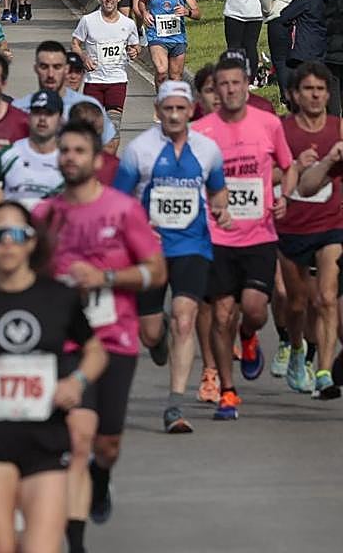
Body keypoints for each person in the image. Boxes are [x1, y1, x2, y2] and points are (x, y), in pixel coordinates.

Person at [0, 201, 107, 553]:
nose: (6, 243)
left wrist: (77, 383)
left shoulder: (58, 298)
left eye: (16, 235)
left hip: (47, 442)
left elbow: (96, 351)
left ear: (30, 243)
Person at [33, 121, 165, 551]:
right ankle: (75, 542)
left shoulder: (123, 209)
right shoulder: (45, 215)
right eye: (64, 151)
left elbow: (155, 271)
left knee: (106, 445)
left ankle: (102, 477)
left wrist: (106, 276)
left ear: (96, 160)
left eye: (79, 151)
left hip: (115, 338)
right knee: (77, 438)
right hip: (65, 343)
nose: (70, 158)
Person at [113, 81, 230, 433]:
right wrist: (137, 227)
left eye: (181, 109)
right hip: (149, 252)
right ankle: (156, 334)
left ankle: (175, 405)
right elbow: (117, 202)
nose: (175, 115)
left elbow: (218, 190)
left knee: (184, 318)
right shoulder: (140, 150)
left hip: (192, 247)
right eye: (168, 109)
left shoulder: (207, 149)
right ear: (158, 111)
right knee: (150, 335)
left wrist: (222, 209)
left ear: (192, 110)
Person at [191, 55, 294, 420]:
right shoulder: (200, 132)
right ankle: (228, 392)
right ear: (215, 89)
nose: (231, 90)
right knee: (221, 315)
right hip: (217, 236)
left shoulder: (268, 124)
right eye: (224, 84)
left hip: (259, 233)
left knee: (253, 309)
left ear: (246, 85)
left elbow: (288, 167)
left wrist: (284, 199)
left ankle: (249, 338)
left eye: (237, 83)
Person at [278, 63, 343, 397]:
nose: (315, 95)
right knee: (298, 303)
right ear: (294, 94)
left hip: (332, 224)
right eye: (308, 89)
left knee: (328, 297)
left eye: (320, 90)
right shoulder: (282, 131)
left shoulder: (339, 128)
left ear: (328, 95)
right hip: (292, 225)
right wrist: (293, 168)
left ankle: (324, 372)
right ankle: (298, 348)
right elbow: (268, 173)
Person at [72, 0, 141, 136]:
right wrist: (83, 57)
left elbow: (135, 46)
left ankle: (109, 159)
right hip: (93, 81)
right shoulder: (88, 21)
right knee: (90, 128)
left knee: (113, 128)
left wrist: (134, 52)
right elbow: (75, 43)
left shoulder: (128, 24)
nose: (108, 0)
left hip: (117, 81)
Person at [0, 89, 65, 212]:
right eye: (37, 112)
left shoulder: (68, 159)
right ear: (29, 116)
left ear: (60, 119)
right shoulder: (7, 155)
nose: (42, 118)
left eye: (49, 113)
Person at [139, 0, 201, 90]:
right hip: (156, 36)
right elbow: (141, 2)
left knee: (175, 77)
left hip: (177, 37)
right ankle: (161, 100)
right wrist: (144, 13)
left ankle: (173, 103)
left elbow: (198, 13)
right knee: (161, 71)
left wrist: (187, 12)